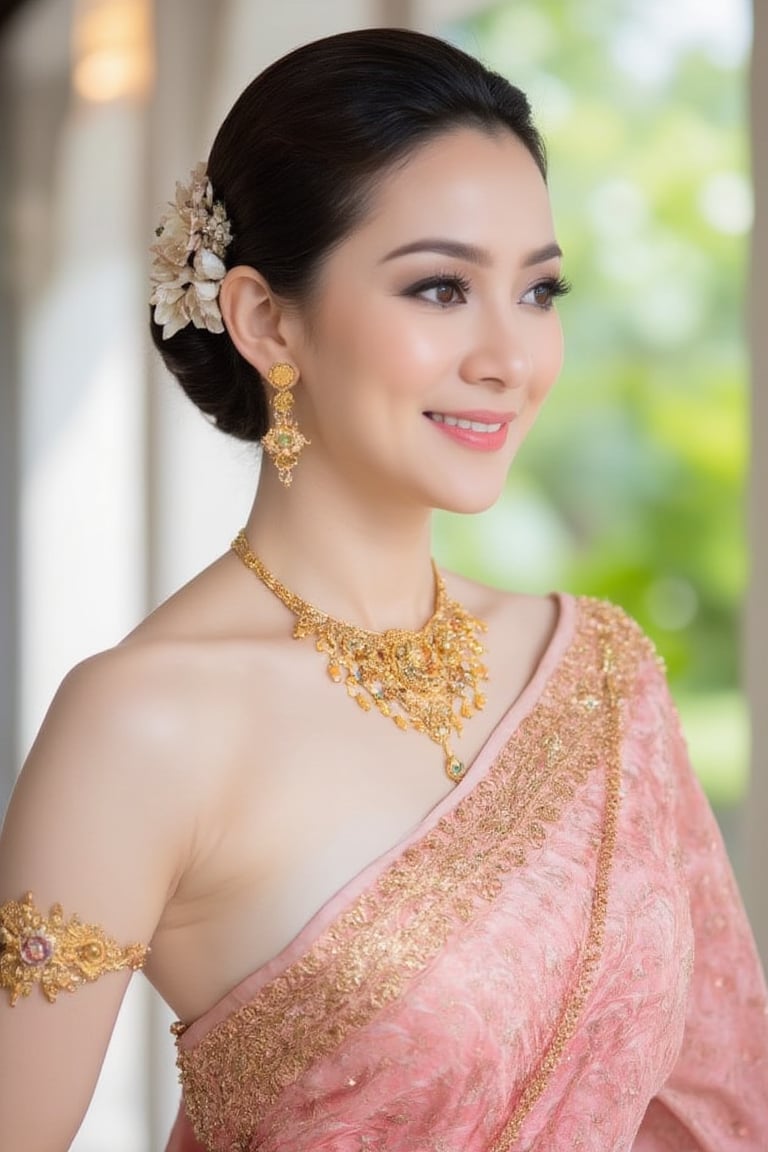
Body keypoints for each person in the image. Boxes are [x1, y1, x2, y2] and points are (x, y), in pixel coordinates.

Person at [0, 26, 766, 1152]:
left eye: (541, 291)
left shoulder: (602, 673)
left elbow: (720, 1103)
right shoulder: (142, 724)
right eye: (442, 289)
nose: (513, 356)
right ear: (266, 319)